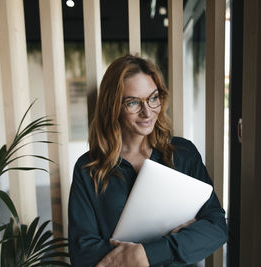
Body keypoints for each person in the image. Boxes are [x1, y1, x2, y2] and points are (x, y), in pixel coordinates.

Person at [68, 54, 228, 266]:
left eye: (153, 97)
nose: (147, 112)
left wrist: (145, 254)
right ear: (113, 107)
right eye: (133, 102)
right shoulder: (88, 168)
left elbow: (216, 227)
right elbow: (82, 253)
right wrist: (176, 243)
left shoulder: (183, 153)